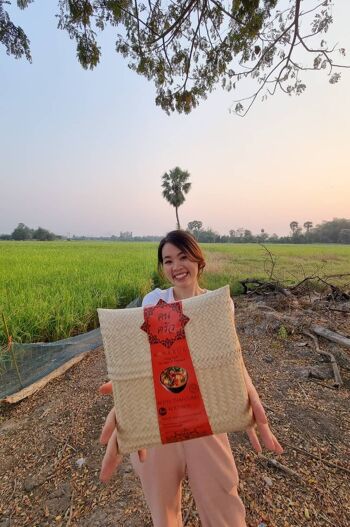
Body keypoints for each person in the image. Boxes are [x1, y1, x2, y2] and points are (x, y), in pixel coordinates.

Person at [99, 230, 283, 527]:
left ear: (199, 260)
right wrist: (129, 396)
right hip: (160, 421)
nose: (176, 266)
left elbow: (230, 359)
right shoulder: (155, 300)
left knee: (223, 500)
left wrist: (247, 394)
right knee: (163, 508)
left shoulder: (217, 304)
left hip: (207, 415)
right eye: (168, 260)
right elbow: (145, 360)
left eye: (183, 257)